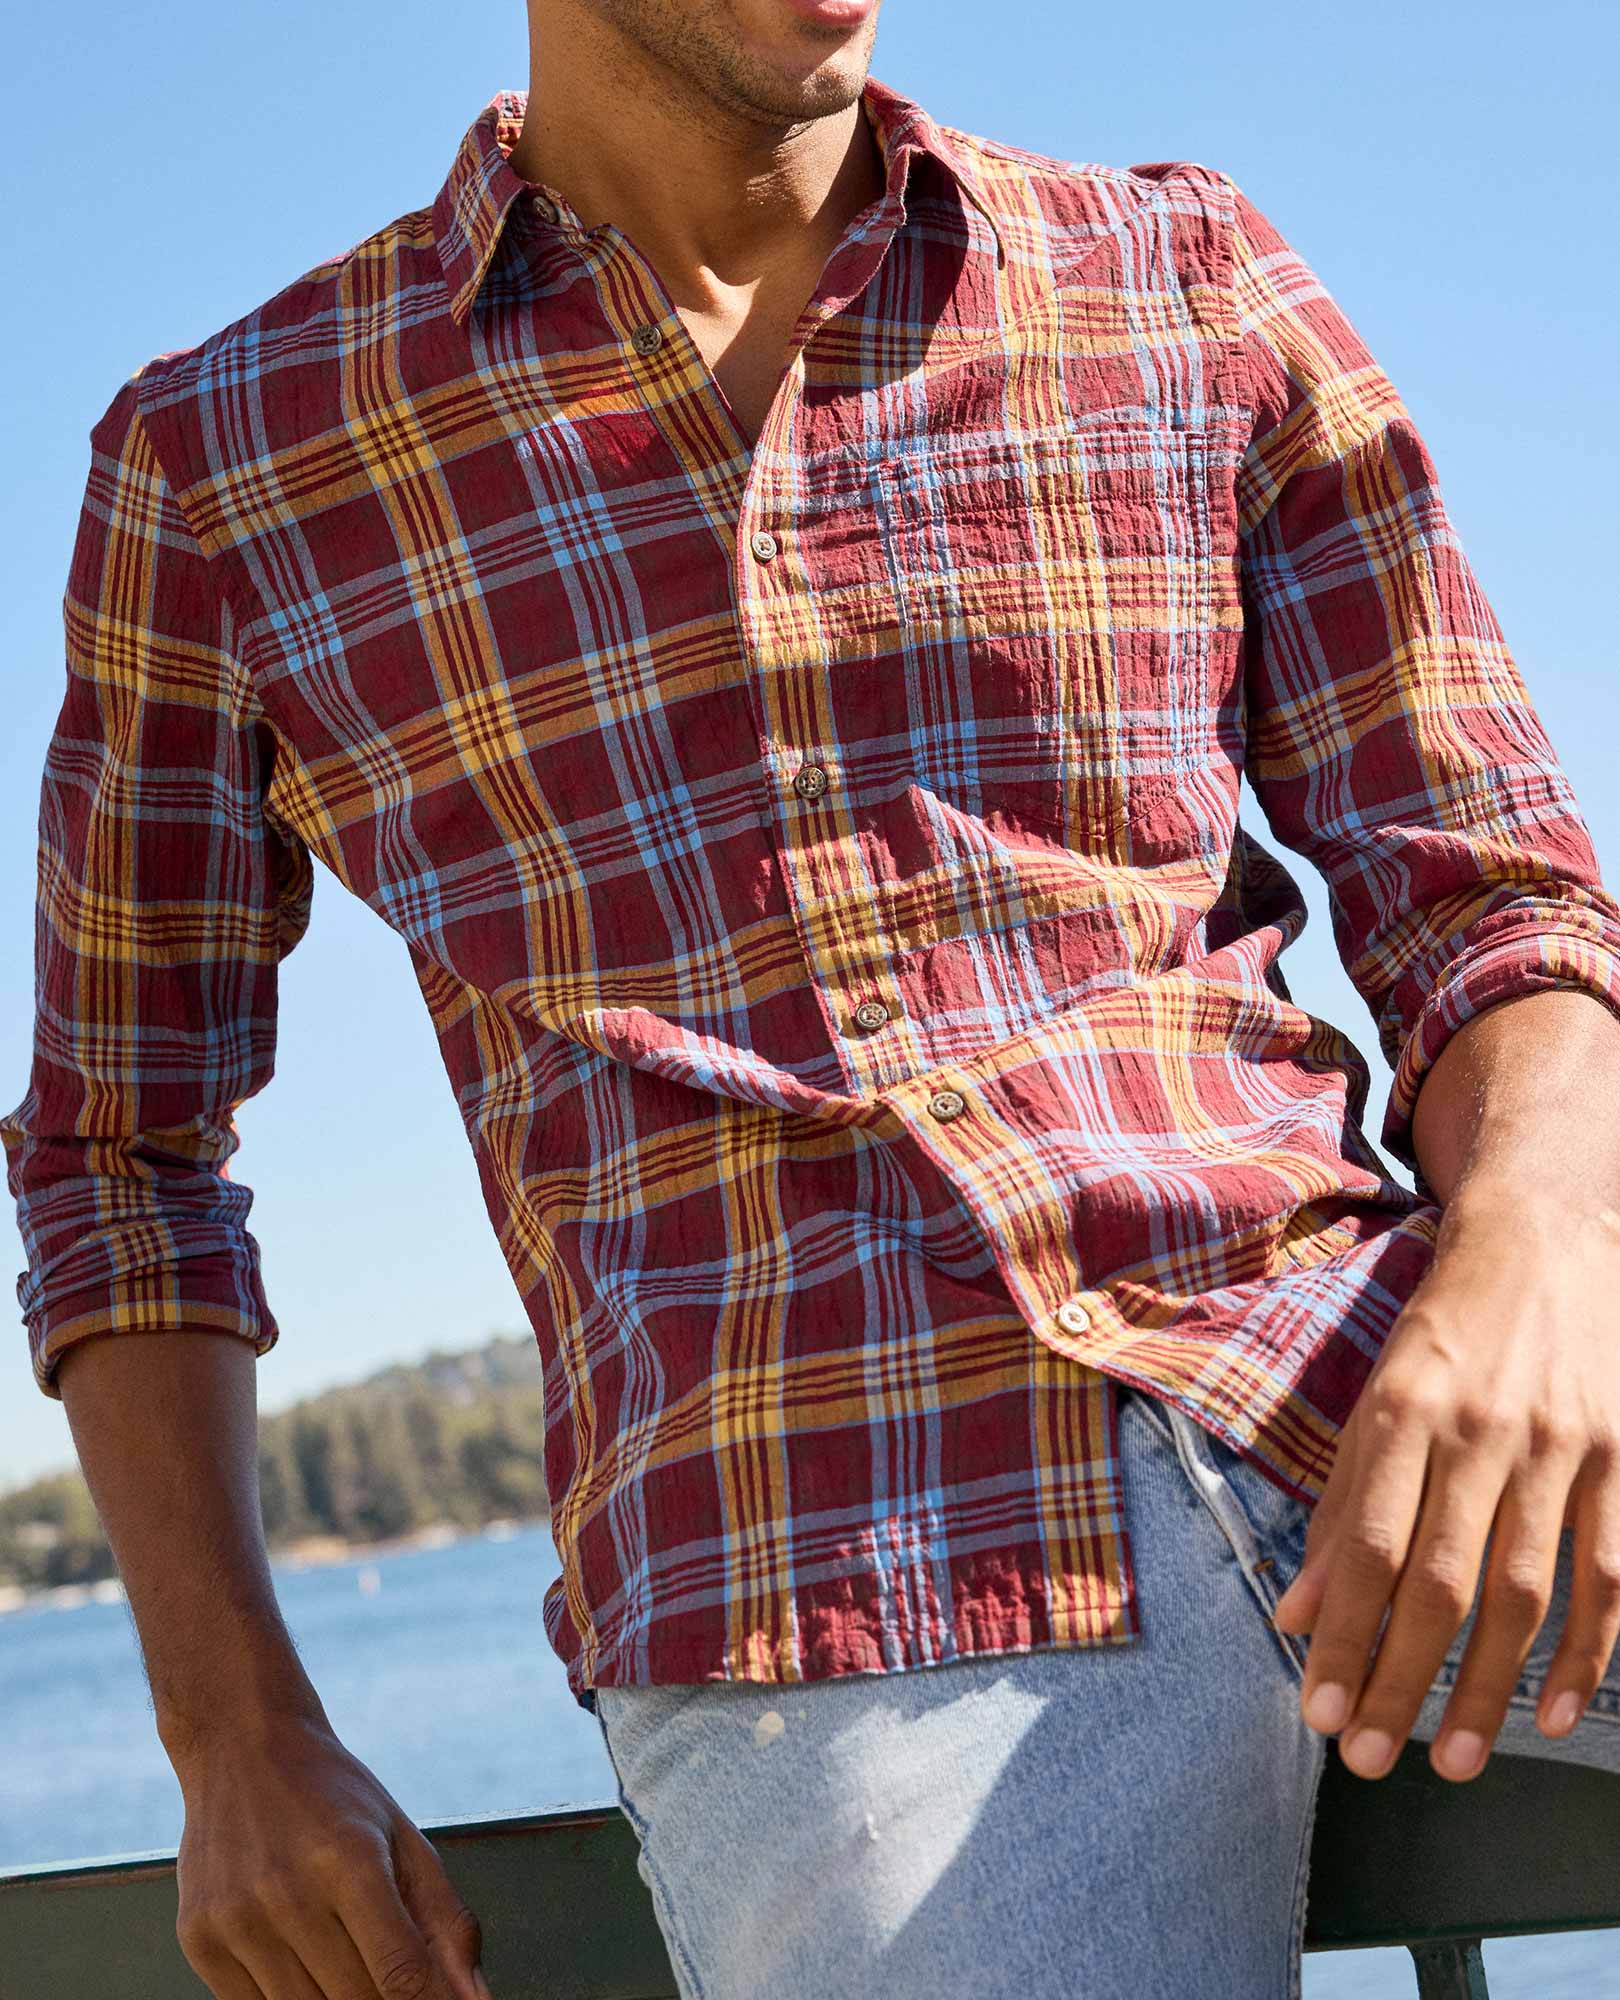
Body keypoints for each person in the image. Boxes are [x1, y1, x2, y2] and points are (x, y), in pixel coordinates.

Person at [5, 0, 1619, 1994]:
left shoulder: (1178, 271)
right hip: (835, 1553)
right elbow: (120, 1149)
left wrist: (1538, 1244)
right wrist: (233, 1733)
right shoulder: (230, 459)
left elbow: (1492, 889)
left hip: (1385, 1365)